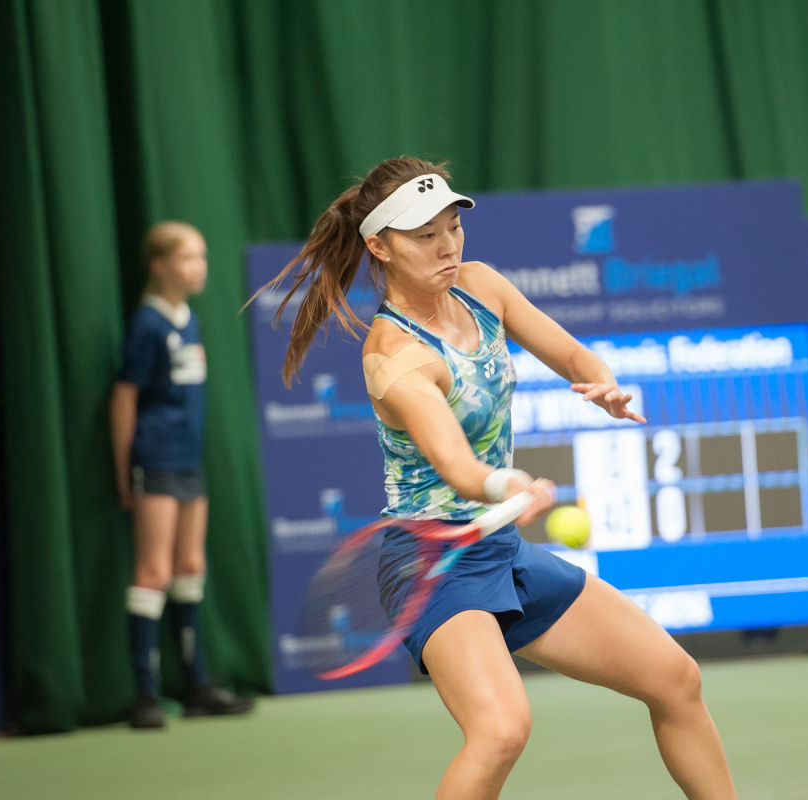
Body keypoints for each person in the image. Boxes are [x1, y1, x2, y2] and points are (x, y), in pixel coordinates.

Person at [260, 158, 737, 799]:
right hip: (432, 563)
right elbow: (455, 465)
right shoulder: (393, 357)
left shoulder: (481, 287)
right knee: (501, 729)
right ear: (380, 246)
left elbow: (569, 352)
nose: (447, 245)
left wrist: (605, 384)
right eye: (424, 235)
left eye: (452, 226)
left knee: (675, 679)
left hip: (499, 547)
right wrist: (502, 485)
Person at [110, 221, 254, 730]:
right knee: (154, 571)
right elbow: (125, 397)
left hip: (191, 462)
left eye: (202, 257)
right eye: (187, 258)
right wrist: (126, 471)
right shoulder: (148, 323)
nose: (199, 268)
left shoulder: (187, 317)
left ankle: (196, 685)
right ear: (159, 265)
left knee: (190, 564)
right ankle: (145, 695)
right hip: (156, 460)